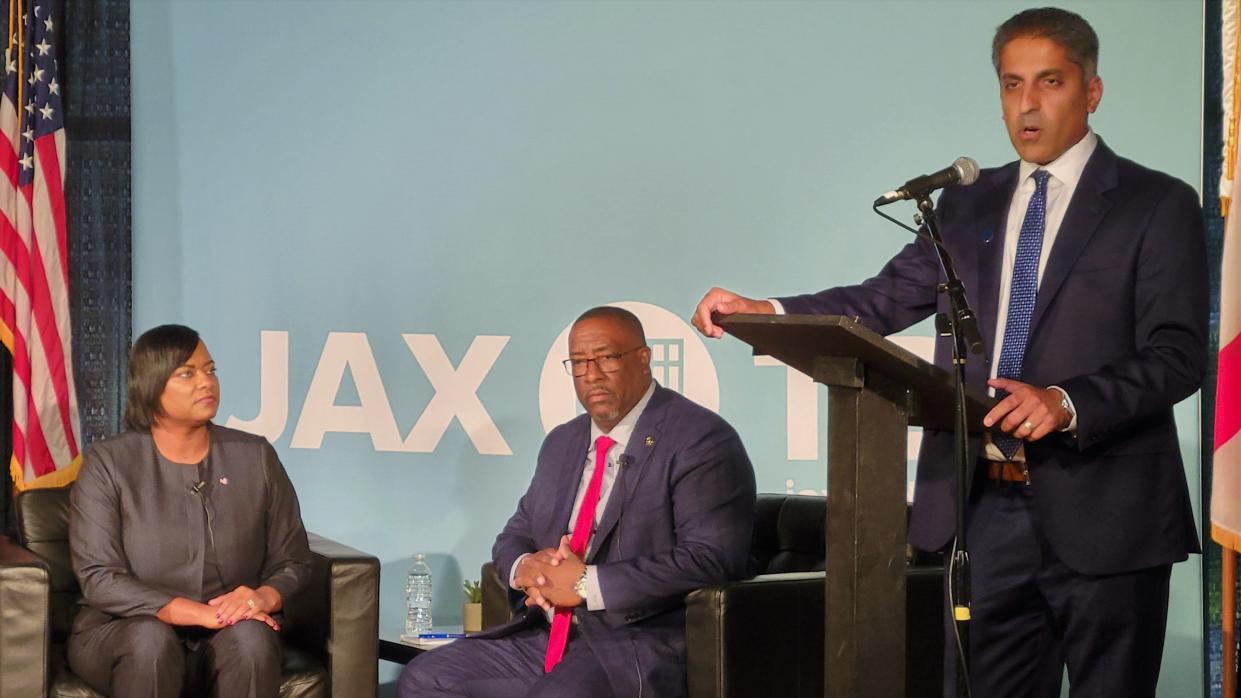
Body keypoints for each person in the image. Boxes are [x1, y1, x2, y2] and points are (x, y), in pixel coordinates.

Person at [692, 8, 1205, 697]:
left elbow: (1176, 353)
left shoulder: (1155, 202)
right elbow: (878, 301)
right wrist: (773, 310)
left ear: (1091, 91)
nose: (1026, 104)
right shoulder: (964, 206)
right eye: (1010, 84)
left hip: (1107, 514)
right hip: (982, 514)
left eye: (1048, 82)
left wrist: (1065, 402)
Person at [399, 306, 755, 697]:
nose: (592, 375)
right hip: (549, 632)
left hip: (634, 641)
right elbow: (515, 534)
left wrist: (587, 583)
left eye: (606, 358)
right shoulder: (563, 442)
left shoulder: (701, 439)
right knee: (428, 677)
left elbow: (711, 558)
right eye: (580, 362)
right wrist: (528, 568)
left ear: (643, 358)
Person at [69, 324, 313, 697]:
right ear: (151, 385)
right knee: (150, 640)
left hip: (229, 631)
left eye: (210, 370)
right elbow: (99, 577)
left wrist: (261, 598)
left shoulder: (255, 456)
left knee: (251, 641)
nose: (206, 382)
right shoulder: (109, 462)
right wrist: (196, 612)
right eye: (187, 373)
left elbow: (293, 560)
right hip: (122, 631)